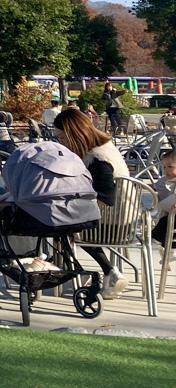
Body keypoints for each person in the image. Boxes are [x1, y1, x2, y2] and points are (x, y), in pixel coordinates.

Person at [53, 106, 130, 298]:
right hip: (124, 218)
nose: (60, 142)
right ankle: (107, 271)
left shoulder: (98, 159)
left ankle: (105, 270)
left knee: (60, 224)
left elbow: (105, 198)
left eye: (61, 138)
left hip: (113, 223)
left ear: (74, 134)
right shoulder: (104, 148)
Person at [150, 149, 176, 248]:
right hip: (170, 212)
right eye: (164, 167)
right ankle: (162, 239)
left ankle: (158, 237)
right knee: (166, 220)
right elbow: (154, 187)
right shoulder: (164, 180)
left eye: (170, 166)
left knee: (166, 221)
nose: (166, 170)